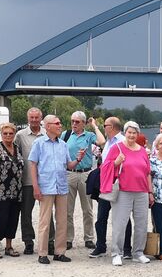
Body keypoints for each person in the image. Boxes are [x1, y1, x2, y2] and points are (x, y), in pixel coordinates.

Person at [101, 121, 152, 266]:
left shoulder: (142, 150)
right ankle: (117, 253)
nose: (131, 135)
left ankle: (138, 253)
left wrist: (150, 191)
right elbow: (104, 167)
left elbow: (147, 172)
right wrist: (116, 163)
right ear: (125, 133)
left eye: (134, 133)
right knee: (119, 223)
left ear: (138, 134)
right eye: (129, 132)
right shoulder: (116, 148)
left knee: (141, 224)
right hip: (123, 191)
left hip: (141, 191)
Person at [29, 115, 76, 264]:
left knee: (62, 220)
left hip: (61, 186)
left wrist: (79, 159)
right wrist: (35, 186)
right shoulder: (39, 143)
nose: (60, 125)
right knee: (44, 221)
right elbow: (32, 164)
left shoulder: (63, 144)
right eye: (57, 123)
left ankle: (59, 252)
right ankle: (42, 253)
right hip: (46, 186)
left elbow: (69, 165)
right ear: (48, 126)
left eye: (60, 122)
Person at [92, 116, 131, 258]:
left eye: (105, 125)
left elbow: (126, 165)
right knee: (101, 217)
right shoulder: (108, 142)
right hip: (106, 184)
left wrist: (113, 165)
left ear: (112, 127)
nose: (104, 127)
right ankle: (101, 246)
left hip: (119, 184)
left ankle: (126, 248)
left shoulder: (123, 142)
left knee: (123, 218)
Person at [0, 122, 25, 259]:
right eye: (5, 133)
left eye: (11, 133)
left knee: (13, 219)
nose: (8, 135)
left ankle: (9, 246)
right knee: (1, 219)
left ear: (14, 134)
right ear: (1, 134)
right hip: (0, 191)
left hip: (17, 191)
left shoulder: (17, 148)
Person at [64, 110, 99, 250]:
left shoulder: (89, 136)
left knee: (88, 209)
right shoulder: (65, 135)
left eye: (77, 122)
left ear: (84, 123)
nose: (74, 124)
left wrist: (95, 126)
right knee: (67, 210)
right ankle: (68, 239)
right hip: (69, 173)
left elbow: (102, 141)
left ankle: (89, 238)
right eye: (72, 121)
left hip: (85, 173)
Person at [15, 108, 46, 255]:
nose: (34, 120)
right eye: (31, 117)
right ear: (28, 118)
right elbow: (15, 155)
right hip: (27, 180)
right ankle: (28, 241)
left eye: (36, 117)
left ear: (41, 118)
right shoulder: (20, 136)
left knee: (47, 214)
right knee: (26, 213)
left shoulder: (48, 133)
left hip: (46, 181)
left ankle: (49, 241)